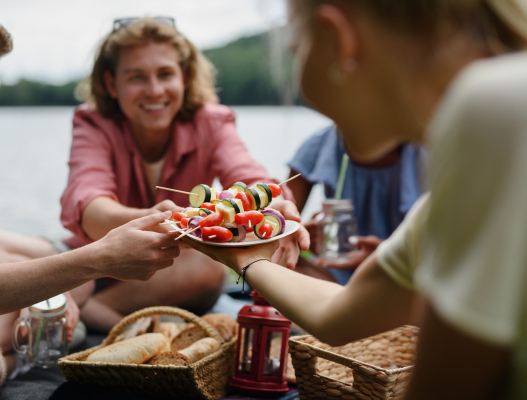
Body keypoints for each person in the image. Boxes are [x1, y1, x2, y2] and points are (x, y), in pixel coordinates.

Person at [186, 0, 527, 398]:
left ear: (338, 39)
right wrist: (246, 255)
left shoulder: (498, 106)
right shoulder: (440, 202)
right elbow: (339, 314)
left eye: (296, 48)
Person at [0, 3, 180, 399]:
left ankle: (23, 337)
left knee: (63, 279)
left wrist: (56, 286)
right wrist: (102, 257)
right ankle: (18, 352)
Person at [60, 17, 309, 332]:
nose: (154, 91)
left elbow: (249, 176)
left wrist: (273, 204)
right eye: (137, 77)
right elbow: (90, 209)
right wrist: (156, 218)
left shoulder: (212, 122)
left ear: (185, 76)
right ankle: (102, 315)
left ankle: (90, 313)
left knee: (208, 268)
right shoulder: (92, 122)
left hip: (165, 273)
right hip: (99, 266)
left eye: (165, 74)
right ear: (112, 84)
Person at [287, 124, 426, 284]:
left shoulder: (427, 151)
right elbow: (281, 227)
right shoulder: (320, 144)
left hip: (401, 273)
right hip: (332, 274)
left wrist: (385, 254)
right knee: (282, 266)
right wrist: (302, 237)